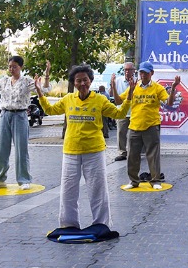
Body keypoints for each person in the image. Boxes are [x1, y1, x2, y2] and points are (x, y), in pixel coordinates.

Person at [34, 64, 131, 228]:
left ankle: (101, 223)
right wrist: (39, 93)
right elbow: (50, 110)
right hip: (71, 151)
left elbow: (119, 113)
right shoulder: (68, 99)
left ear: (91, 81)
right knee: (68, 190)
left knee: (98, 190)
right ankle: (68, 224)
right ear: (73, 83)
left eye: (85, 80)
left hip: (94, 151)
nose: (82, 84)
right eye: (78, 81)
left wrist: (129, 98)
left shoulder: (100, 99)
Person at [0, 57, 51, 190]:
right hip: (5, 115)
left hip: (20, 115)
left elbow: (45, 90)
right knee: (2, 149)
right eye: (10, 66)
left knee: (21, 149)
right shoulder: (4, 80)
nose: (11, 69)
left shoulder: (26, 81)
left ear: (21, 67)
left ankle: (24, 179)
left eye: (15, 67)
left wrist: (46, 75)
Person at [113, 61, 181, 190]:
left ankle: (155, 180)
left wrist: (173, 88)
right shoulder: (134, 87)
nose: (143, 75)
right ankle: (133, 181)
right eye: (141, 72)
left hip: (151, 125)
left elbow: (169, 103)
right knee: (132, 155)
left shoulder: (157, 88)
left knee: (153, 154)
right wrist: (113, 85)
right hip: (134, 125)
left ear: (152, 73)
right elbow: (118, 101)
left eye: (146, 73)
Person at [110, 61, 135, 161]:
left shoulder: (138, 81)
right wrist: (112, 85)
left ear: (134, 70)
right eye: (125, 70)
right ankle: (122, 152)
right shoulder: (118, 81)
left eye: (129, 69)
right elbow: (111, 94)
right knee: (121, 132)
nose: (127, 72)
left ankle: (134, 152)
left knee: (134, 135)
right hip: (122, 112)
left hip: (134, 112)